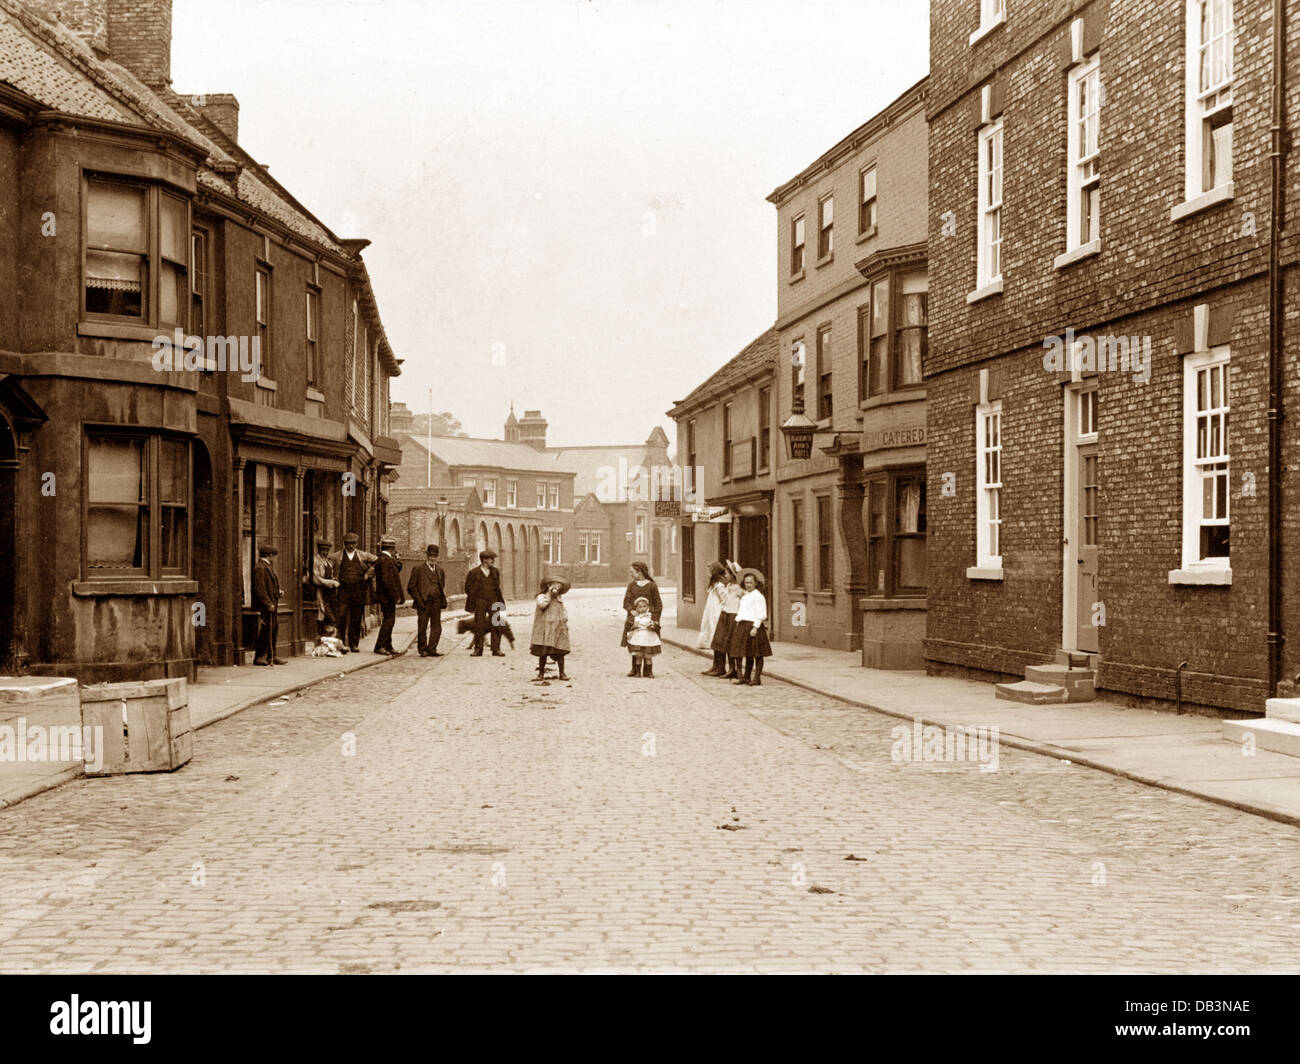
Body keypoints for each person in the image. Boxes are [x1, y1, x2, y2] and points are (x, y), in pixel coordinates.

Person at [328, 532, 376, 653]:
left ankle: (354, 644)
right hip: (343, 591)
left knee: (356, 617)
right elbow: (328, 565)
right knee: (341, 617)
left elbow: (378, 561)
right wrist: (333, 579)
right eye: (348, 543)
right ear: (344, 544)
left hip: (358, 591)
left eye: (353, 543)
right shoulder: (337, 556)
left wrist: (369, 573)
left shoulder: (363, 555)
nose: (351, 546)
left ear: (356, 543)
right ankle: (341, 643)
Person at [728, 568, 772, 686]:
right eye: (746, 582)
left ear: (756, 583)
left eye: (751, 582)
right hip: (743, 625)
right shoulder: (746, 595)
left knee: (757, 653)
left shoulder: (758, 596)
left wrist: (755, 627)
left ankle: (757, 678)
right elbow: (742, 611)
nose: (748, 585)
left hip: (753, 626)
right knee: (745, 653)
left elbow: (762, 613)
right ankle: (745, 677)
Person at [406, 543, 447, 657]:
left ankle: (432, 649)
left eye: (434, 556)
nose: (432, 558)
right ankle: (423, 649)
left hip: (436, 602)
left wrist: (438, 596)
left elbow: (441, 585)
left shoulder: (440, 570)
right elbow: (411, 587)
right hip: (423, 602)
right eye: (430, 555)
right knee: (422, 626)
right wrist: (419, 600)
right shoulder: (418, 569)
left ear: (437, 557)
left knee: (437, 626)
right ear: (427, 556)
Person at [465, 549, 506, 656]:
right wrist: (475, 598)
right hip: (480, 601)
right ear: (484, 560)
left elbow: (497, 587)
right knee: (479, 625)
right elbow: (467, 588)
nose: (493, 561)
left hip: (494, 600)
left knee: (497, 624)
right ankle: (478, 649)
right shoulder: (473, 573)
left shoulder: (495, 572)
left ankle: (496, 649)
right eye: (491, 559)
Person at [252, 543, 287, 666]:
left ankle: (271, 655)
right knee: (266, 631)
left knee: (273, 629)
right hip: (266, 606)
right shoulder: (260, 568)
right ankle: (259, 656)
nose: (275, 558)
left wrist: (278, 592)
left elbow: (269, 586)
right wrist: (268, 603)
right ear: (270, 555)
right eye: (274, 556)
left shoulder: (266, 566)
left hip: (272, 603)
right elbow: (260, 588)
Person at [531, 577, 571, 680]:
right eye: (555, 585)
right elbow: (542, 605)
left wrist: (564, 619)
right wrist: (549, 595)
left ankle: (562, 673)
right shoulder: (542, 597)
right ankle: (541, 673)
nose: (557, 588)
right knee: (543, 652)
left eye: (559, 586)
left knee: (560, 651)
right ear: (548, 586)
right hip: (545, 629)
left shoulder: (559, 599)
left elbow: (563, 610)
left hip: (557, 628)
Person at [709, 561, 743, 679]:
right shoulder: (728, 586)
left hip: (734, 616)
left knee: (732, 643)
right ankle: (726, 668)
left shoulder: (739, 588)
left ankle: (734, 670)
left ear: (733, 576)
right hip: (725, 614)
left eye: (728, 574)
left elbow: (741, 602)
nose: (726, 576)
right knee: (723, 641)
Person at [372, 535, 404, 655]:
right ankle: (379, 645)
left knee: (389, 619)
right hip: (387, 596)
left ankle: (388, 645)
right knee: (389, 621)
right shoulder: (385, 560)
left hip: (386, 595)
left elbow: (398, 567)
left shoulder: (386, 558)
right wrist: (394, 595)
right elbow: (386, 580)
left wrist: (396, 558)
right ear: (392, 548)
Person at [621, 562, 662, 652]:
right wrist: (631, 610)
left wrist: (654, 620)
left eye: (632, 572)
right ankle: (635, 667)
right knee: (635, 652)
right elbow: (626, 602)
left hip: (648, 622)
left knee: (648, 653)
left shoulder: (652, 586)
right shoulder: (631, 586)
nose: (630, 574)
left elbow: (658, 605)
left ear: (639, 572)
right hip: (634, 622)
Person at [698, 562, 729, 676]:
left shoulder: (720, 585)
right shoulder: (714, 585)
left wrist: (719, 612)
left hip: (717, 615)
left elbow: (725, 600)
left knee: (718, 641)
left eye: (709, 571)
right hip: (711, 615)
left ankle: (720, 667)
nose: (707, 574)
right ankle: (715, 665)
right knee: (714, 641)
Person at [626, 596, 662, 678]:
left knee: (648, 656)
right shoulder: (635, 617)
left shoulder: (650, 616)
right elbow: (629, 626)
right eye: (640, 607)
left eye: (644, 606)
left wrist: (653, 626)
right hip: (638, 637)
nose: (642, 608)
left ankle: (649, 672)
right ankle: (638, 672)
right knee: (638, 655)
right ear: (637, 609)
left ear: (648, 607)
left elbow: (657, 626)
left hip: (648, 636)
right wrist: (633, 626)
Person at [311, 539, 340, 630]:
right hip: (321, 592)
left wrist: (333, 579)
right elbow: (316, 579)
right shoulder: (316, 561)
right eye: (323, 550)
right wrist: (331, 582)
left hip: (330, 593)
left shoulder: (327, 561)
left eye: (327, 550)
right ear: (319, 550)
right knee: (327, 616)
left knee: (334, 614)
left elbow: (329, 575)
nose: (325, 552)